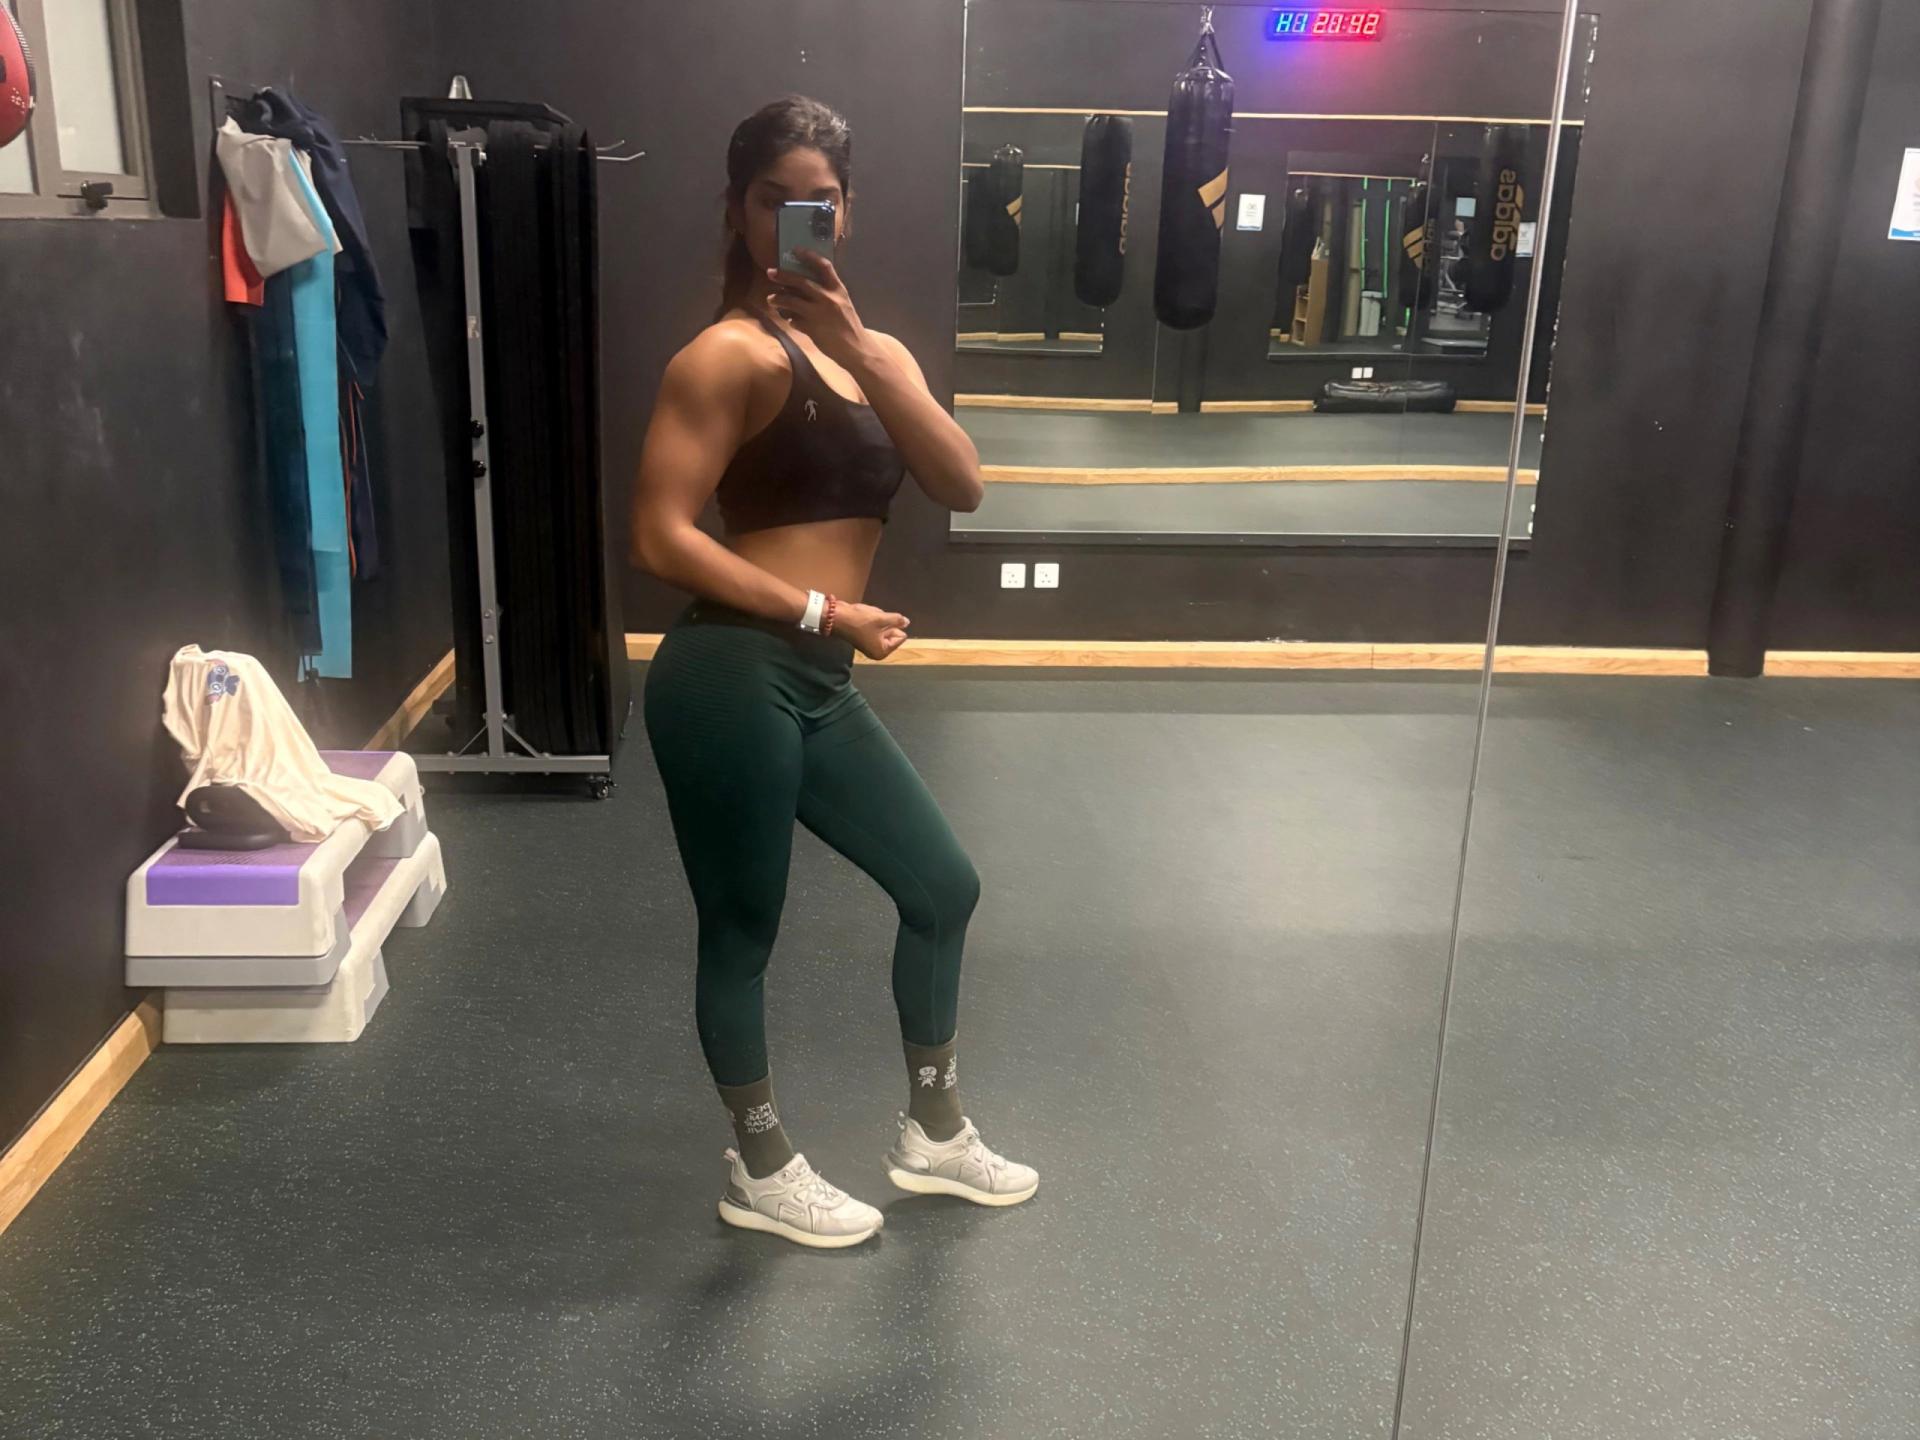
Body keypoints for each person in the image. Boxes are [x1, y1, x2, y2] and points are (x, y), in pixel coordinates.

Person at [630, 96, 1039, 1249]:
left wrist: (860, 349)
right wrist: (824, 608)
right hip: (728, 673)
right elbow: (659, 536)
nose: (793, 223)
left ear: (844, 213)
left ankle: (934, 1132)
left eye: (817, 202)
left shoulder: (876, 356)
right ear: (738, 209)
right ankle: (758, 1161)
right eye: (773, 202)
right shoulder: (724, 357)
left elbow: (962, 482)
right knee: (743, 925)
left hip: (818, 680)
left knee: (943, 886)